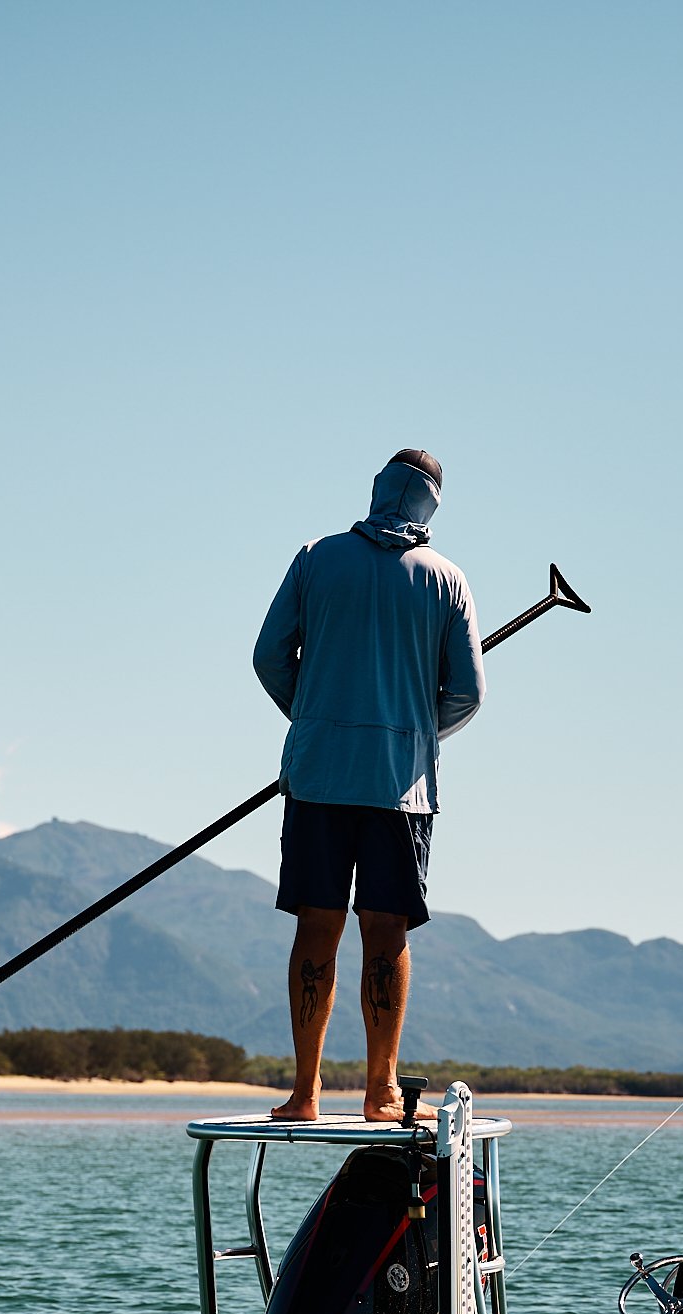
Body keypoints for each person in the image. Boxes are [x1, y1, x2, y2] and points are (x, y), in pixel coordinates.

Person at [253, 448, 485, 1122]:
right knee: (386, 933)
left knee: (317, 927)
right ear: (432, 506)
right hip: (400, 787)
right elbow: (468, 693)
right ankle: (382, 1090)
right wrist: (411, 731)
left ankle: (305, 1092)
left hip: (320, 774)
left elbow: (269, 657)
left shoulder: (316, 557)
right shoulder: (448, 580)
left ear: (378, 488)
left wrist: (315, 714)